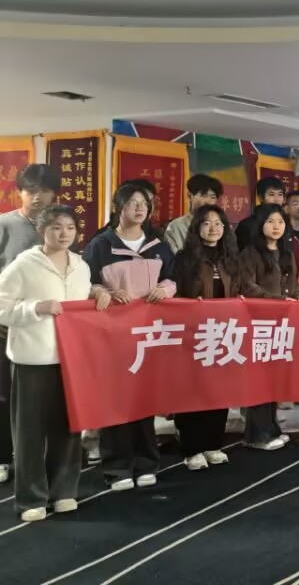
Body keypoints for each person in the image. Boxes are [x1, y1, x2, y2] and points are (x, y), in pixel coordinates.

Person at [0, 206, 109, 521]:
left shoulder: (80, 265)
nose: (64, 234)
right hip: (32, 359)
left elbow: (84, 296)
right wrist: (36, 308)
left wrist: (98, 291)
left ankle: (63, 491)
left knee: (69, 427)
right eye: (56, 227)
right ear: (41, 230)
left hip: (72, 359)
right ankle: (31, 498)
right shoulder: (24, 265)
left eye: (70, 227)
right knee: (30, 432)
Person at [84, 182, 176, 489]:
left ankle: (147, 462)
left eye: (145, 204)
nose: (139, 208)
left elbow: (173, 278)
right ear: (118, 208)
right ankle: (117, 467)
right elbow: (87, 281)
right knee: (116, 399)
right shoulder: (101, 244)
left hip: (148, 334)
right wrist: (105, 292)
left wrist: (165, 289)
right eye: (133, 202)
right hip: (113, 335)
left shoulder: (158, 245)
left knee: (143, 399)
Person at [0, 164, 58, 484]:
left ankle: (40, 458)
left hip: (46, 327)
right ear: (19, 192)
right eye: (31, 190)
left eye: (45, 191)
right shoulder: (5, 225)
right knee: (3, 395)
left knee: (43, 399)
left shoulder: (58, 227)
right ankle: (2, 456)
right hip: (6, 324)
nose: (37, 197)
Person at [173, 205, 239, 470]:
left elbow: (240, 288)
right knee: (193, 389)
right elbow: (177, 292)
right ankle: (192, 448)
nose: (213, 228)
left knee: (219, 389)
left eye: (218, 223)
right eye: (207, 223)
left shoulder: (230, 258)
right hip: (194, 332)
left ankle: (213, 444)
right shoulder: (185, 258)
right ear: (197, 227)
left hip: (224, 331)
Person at [238, 204, 299, 450]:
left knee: (274, 378)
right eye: (271, 222)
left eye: (280, 222)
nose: (276, 227)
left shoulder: (286, 253)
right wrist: (278, 301)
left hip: (282, 323)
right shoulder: (250, 253)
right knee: (259, 380)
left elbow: (293, 285)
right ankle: (257, 435)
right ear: (260, 225)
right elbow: (247, 286)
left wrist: (293, 300)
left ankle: (272, 427)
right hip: (258, 322)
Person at [164, 174, 223, 253]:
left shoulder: (221, 226)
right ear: (189, 196)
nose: (208, 202)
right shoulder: (176, 227)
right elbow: (174, 257)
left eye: (213, 197)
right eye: (203, 195)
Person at [236, 177, 287, 252]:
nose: (277, 199)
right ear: (260, 198)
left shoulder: (286, 223)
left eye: (280, 194)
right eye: (271, 194)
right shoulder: (247, 225)